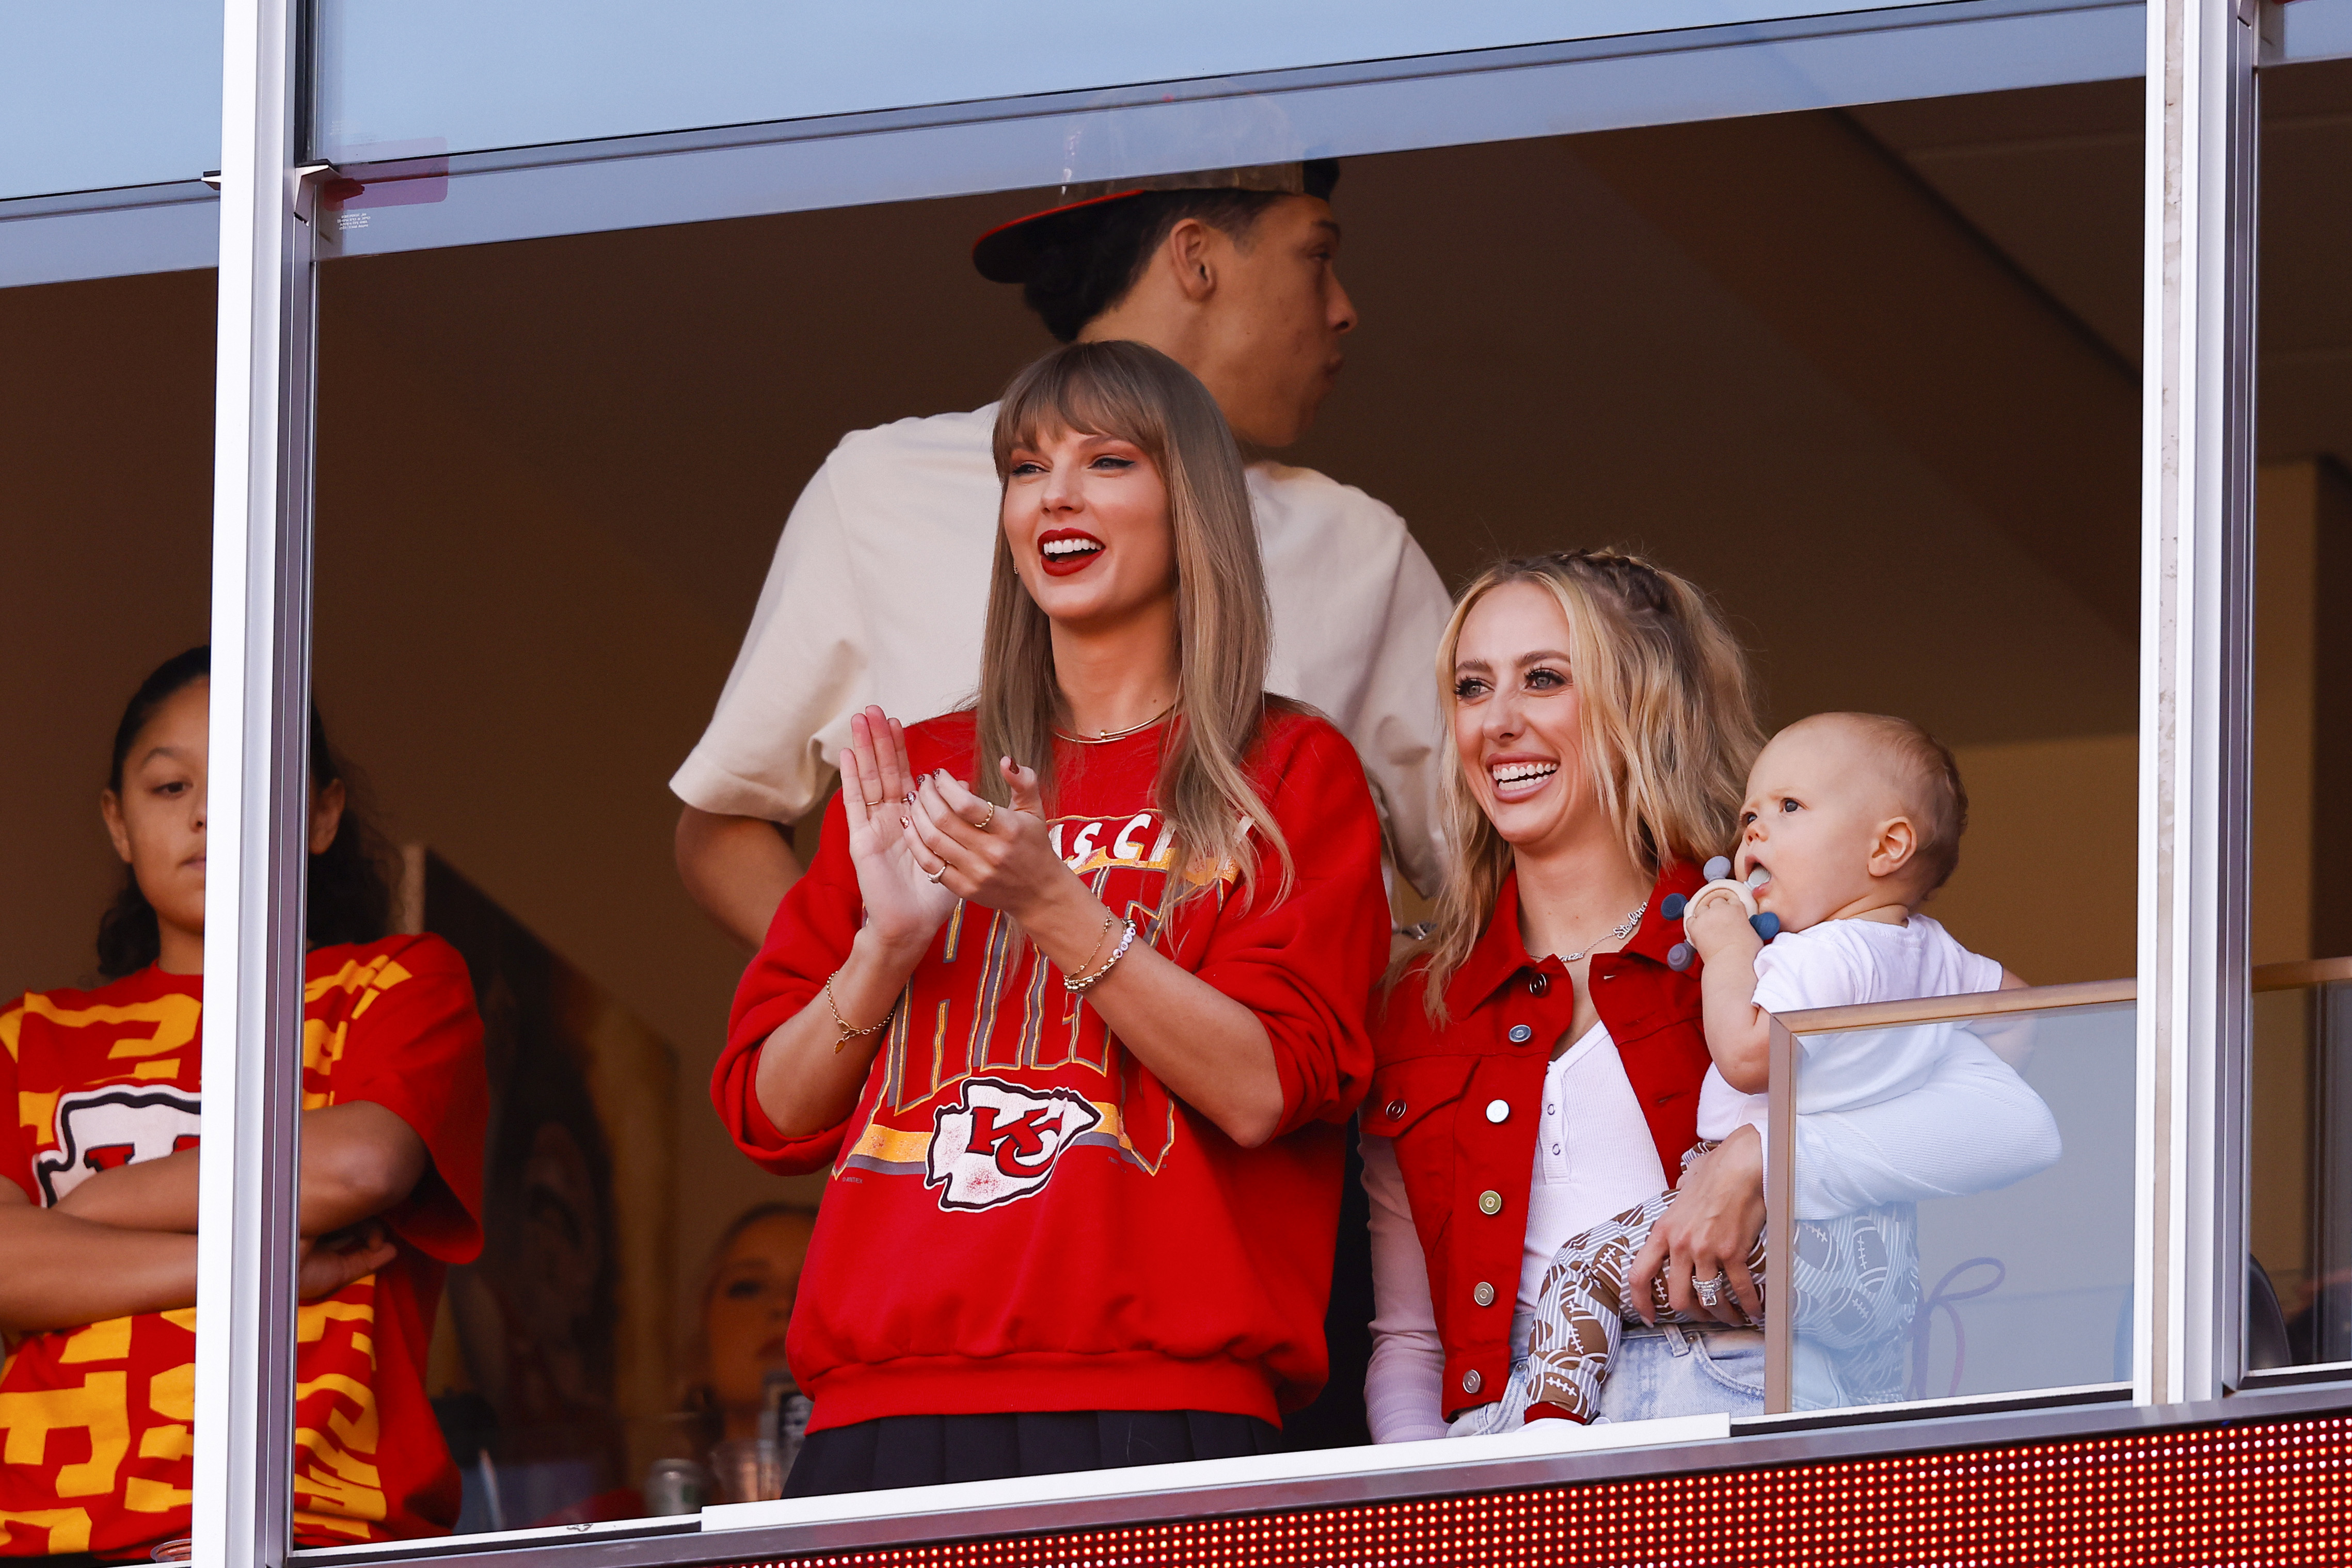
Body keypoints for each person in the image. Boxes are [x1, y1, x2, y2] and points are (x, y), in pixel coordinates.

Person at [711, 341, 1390, 1494]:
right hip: (880, 1410)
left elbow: (1268, 1085)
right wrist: (883, 951)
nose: (1056, 494)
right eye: (1027, 468)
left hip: (1162, 1406)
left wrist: (1053, 907)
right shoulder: (917, 769)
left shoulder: (1290, 771)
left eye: (1106, 461)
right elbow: (767, 1115)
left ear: (1194, 510)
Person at [1363, 553, 2065, 1440]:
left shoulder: (1773, 944)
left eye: (1544, 679)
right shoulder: (1417, 1003)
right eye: (1471, 686)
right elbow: (1411, 1342)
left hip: (1733, 1400)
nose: (1498, 721)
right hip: (1504, 1438)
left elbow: (2009, 1117)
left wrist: (1764, 1155)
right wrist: (1419, 1499)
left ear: (1640, 702)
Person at [673, 162, 1453, 948]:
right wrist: (885, 1016)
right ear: (1196, 258)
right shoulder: (881, 487)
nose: (1345, 310)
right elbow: (723, 823)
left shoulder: (1360, 547)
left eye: (1110, 466)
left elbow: (1500, 876)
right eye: (1318, 256)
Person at [0, 648, 489, 1556]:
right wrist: (264, 1273)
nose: (204, 811)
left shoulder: (394, 984)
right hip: (49, 1532)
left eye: (246, 774)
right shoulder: (27, 1039)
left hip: (312, 1528)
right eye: (169, 785)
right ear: (117, 822)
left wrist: (92, 1209)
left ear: (322, 813)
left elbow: (359, 1164)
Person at [1458, 712, 2059, 1429]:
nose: (1753, 834)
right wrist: (1906, 1074)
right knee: (1860, 1392)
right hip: (1875, 1257)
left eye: (1790, 807)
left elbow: (1748, 1056)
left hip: (1774, 1229)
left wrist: (1724, 942)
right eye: (1749, 815)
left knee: (1578, 1268)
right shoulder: (1933, 953)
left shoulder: (1819, 955)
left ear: (1888, 844)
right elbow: (2022, 1018)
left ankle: (1550, 1431)